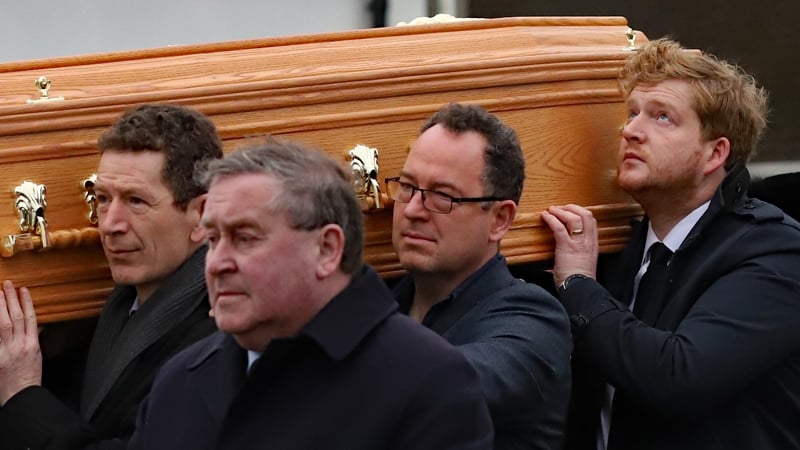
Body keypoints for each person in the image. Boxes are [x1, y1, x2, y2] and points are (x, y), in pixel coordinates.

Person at [124, 138, 494, 450]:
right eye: (214, 239)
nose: (217, 263)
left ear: (326, 249)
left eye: (245, 238)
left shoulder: (426, 383)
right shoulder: (181, 382)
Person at [542, 38, 800, 450]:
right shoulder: (616, 249)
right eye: (631, 114)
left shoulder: (777, 252)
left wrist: (577, 285)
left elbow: (678, 377)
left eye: (662, 117)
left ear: (715, 154)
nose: (631, 131)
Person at [0, 104, 222, 448]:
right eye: (102, 199)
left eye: (136, 201)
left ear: (202, 215)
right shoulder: (122, 306)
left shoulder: (219, 338)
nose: (109, 224)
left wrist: (23, 393)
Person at [390, 102, 572, 450]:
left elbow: (445, 383)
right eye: (407, 186)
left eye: (442, 196)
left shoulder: (533, 319)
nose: (413, 210)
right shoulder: (382, 304)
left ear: (500, 219)